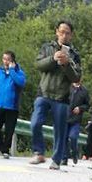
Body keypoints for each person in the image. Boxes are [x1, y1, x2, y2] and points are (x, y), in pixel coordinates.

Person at [29, 20, 81, 170]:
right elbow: (38, 65)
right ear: (57, 31)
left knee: (60, 131)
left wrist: (66, 65)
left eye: (68, 33)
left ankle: (56, 160)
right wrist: (53, 59)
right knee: (35, 123)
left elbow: (76, 77)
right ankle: (39, 152)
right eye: (62, 31)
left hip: (62, 97)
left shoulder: (74, 55)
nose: (64, 35)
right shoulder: (47, 48)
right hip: (43, 93)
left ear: (71, 36)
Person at [0, 51, 26, 158]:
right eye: (4, 59)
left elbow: (21, 83)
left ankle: (5, 150)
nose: (5, 61)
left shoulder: (19, 72)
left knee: (9, 131)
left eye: (7, 59)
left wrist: (11, 70)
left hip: (12, 106)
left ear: (12, 61)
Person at [62, 78, 89, 166]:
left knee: (73, 137)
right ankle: (64, 158)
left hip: (76, 119)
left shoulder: (84, 91)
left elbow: (87, 105)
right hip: (65, 117)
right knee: (64, 138)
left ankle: (74, 153)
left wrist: (80, 108)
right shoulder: (67, 87)